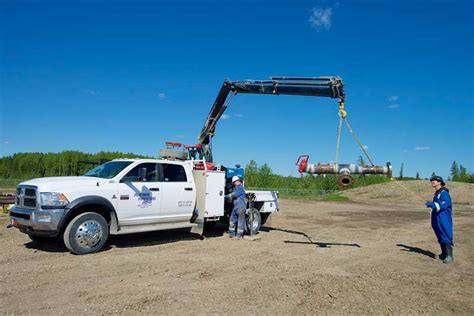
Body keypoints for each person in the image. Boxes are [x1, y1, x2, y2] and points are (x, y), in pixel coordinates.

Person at [425, 175, 454, 264]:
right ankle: (444, 254)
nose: (433, 181)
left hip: (443, 218)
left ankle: (449, 256)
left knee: (445, 234)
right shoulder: (437, 193)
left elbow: (443, 204)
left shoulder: (444, 193)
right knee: (439, 234)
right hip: (436, 218)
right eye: (432, 180)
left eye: (435, 180)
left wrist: (433, 205)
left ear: (440, 182)